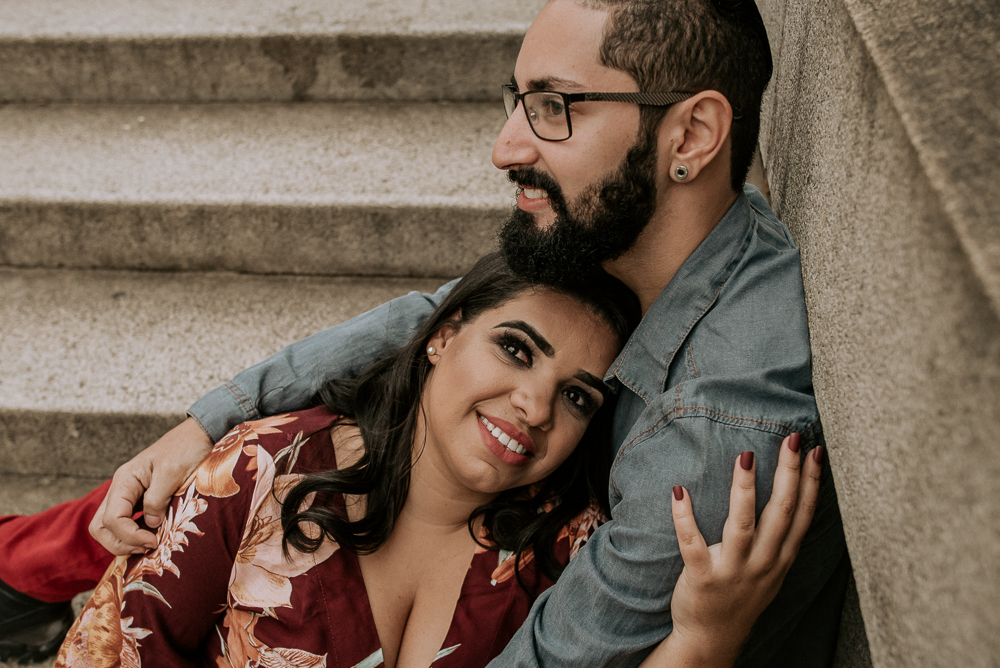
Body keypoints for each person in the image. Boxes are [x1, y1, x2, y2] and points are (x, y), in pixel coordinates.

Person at [1, 0, 847, 665]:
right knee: (256, 468)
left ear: (692, 136)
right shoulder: (675, 229)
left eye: (553, 107)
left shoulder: (709, 445)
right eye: (518, 101)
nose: (503, 147)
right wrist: (207, 421)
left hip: (492, 530)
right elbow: (435, 318)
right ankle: (21, 567)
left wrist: (703, 645)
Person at [52, 255, 819, 668]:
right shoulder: (264, 470)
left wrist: (703, 638)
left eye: (578, 397)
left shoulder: (563, 553)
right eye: (515, 350)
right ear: (442, 335)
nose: (535, 406)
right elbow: (119, 652)